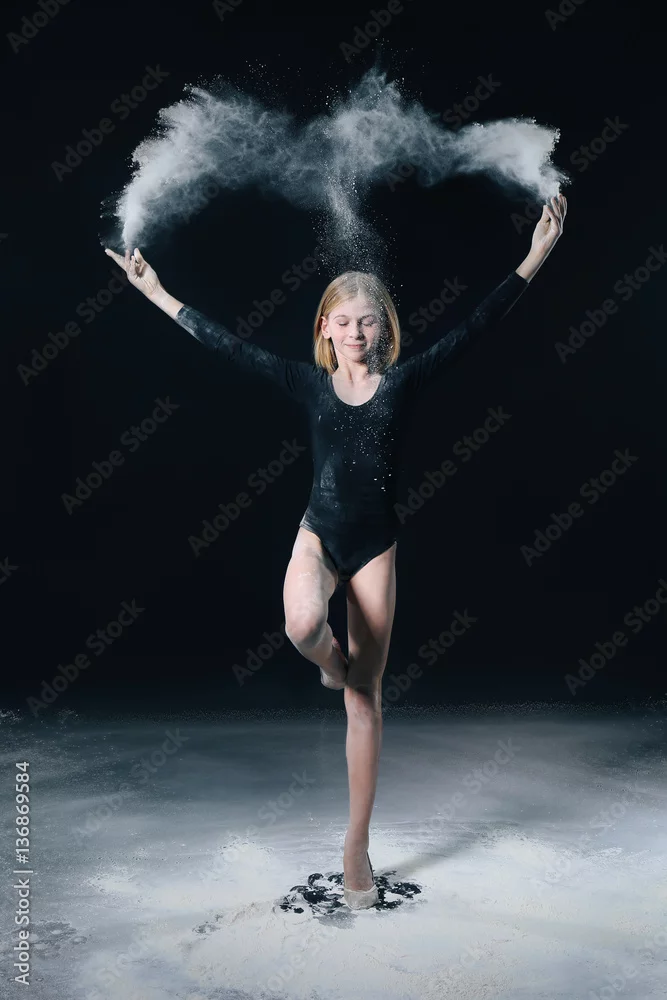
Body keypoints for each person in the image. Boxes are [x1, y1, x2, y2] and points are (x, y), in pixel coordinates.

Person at [104, 192, 566, 908]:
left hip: (375, 546)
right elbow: (229, 346)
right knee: (302, 626)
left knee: (365, 700)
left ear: (384, 329)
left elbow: (477, 327)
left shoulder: (404, 381)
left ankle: (356, 845)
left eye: (367, 320)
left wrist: (535, 254)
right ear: (325, 326)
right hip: (318, 534)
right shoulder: (307, 383)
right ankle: (328, 666)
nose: (355, 330)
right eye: (343, 320)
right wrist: (156, 292)